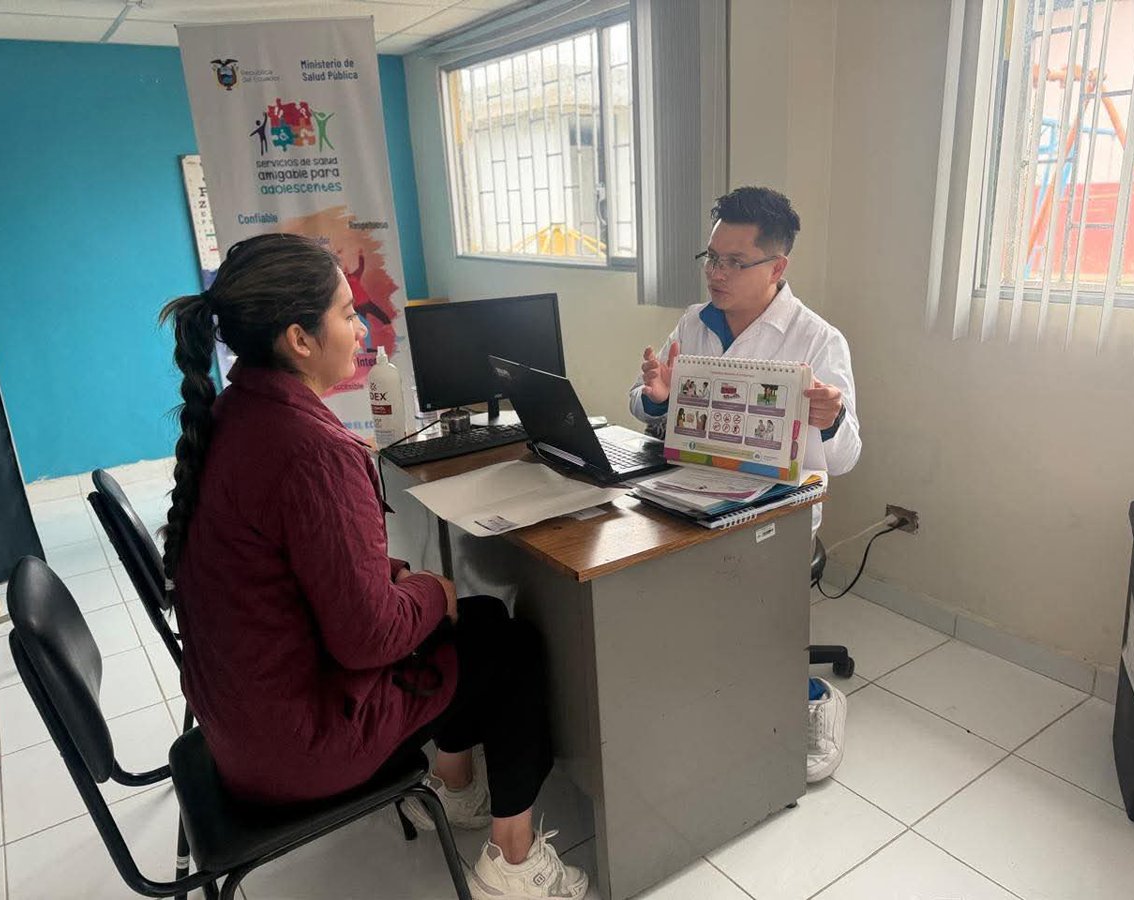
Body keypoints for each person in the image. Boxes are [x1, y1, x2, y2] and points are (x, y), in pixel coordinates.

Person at [160, 233, 587, 900]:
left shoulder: (237, 411)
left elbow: (294, 567)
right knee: (510, 647)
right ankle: (515, 863)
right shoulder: (310, 449)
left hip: (243, 731)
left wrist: (399, 582)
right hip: (298, 749)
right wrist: (426, 590)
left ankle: (453, 787)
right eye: (344, 312)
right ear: (299, 340)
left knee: (474, 621)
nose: (360, 327)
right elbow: (368, 640)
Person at [628, 186, 861, 783]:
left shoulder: (817, 340)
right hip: (695, 489)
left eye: (735, 262)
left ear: (777, 267)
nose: (717, 273)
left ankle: (812, 698)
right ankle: (695, 694)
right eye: (711, 258)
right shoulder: (693, 323)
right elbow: (654, 408)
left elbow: (849, 455)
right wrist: (654, 399)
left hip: (779, 509)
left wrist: (830, 419)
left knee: (743, 601)